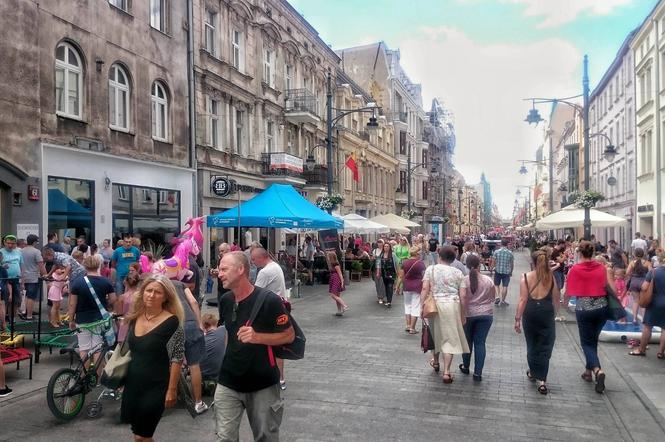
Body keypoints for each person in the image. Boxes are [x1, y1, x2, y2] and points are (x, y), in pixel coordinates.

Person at [214, 251, 295, 441]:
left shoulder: (269, 300)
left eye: (224, 269)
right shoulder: (225, 300)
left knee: (265, 437)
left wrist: (257, 337)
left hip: (263, 384)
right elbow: (229, 333)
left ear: (241, 269)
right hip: (228, 382)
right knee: (224, 438)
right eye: (219, 269)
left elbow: (289, 335)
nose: (219, 273)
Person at [121, 274, 185, 441]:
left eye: (157, 292)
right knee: (137, 435)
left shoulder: (172, 322)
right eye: (148, 290)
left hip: (156, 387)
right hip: (133, 384)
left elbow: (177, 358)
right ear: (142, 293)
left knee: (143, 435)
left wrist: (172, 390)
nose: (151, 295)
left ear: (165, 297)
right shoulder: (135, 317)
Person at [566, 240, 611, 393]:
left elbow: (568, 291)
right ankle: (587, 372)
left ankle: (598, 370)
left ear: (580, 253)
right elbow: (607, 286)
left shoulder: (576, 269)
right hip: (601, 308)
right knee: (592, 341)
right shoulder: (602, 268)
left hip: (584, 309)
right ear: (592, 253)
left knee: (586, 343)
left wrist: (564, 305)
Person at [514, 250, 560, 394]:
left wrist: (517, 319)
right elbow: (556, 299)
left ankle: (534, 372)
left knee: (532, 344)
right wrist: (555, 314)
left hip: (531, 313)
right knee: (545, 345)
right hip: (546, 313)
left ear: (532, 263)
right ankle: (542, 380)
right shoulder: (550, 278)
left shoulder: (525, 278)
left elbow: (523, 300)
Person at [422, 246, 468, 384]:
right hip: (452, 305)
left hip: (434, 305)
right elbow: (464, 295)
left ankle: (436, 362)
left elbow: (425, 288)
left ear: (439, 256)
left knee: (435, 334)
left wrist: (421, 305)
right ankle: (447, 372)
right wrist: (463, 313)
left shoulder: (431, 269)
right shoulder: (459, 273)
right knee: (449, 338)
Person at [251, 246, 289, 390]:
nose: (253, 262)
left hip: (268, 313)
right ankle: (280, 377)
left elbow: (254, 294)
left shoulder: (265, 272)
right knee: (277, 345)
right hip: (280, 310)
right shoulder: (275, 266)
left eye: (254, 259)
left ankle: (274, 377)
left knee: (266, 344)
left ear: (262, 257)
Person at [67, 255, 116, 362]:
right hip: (99, 320)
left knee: (84, 349)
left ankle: (85, 375)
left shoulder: (77, 283)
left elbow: (72, 304)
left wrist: (71, 320)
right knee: (97, 349)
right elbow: (113, 300)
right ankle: (96, 376)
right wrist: (106, 304)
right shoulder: (106, 281)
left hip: (82, 319)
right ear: (99, 265)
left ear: (85, 266)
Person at [172, 276, 208, 414]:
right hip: (190, 322)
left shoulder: (157, 285)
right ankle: (198, 402)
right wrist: (199, 323)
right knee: (194, 364)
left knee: (173, 361)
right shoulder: (179, 284)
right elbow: (193, 301)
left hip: (172, 325)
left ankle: (172, 395)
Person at [459, 254, 495, 381]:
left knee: (467, 342)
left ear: (467, 266)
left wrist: (463, 313)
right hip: (486, 314)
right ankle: (478, 373)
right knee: (480, 343)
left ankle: (466, 366)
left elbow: (462, 298)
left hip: (468, 314)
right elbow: (492, 297)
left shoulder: (463, 280)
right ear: (479, 265)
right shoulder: (488, 280)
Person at [630, 251, 665, 358]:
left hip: (654, 302)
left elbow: (644, 287)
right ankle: (661, 352)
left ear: (659, 260)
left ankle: (642, 349)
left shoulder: (654, 272)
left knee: (648, 326)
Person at [396, 246, 426, 334]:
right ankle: (412, 328)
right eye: (419, 253)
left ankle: (408, 325)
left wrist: (397, 286)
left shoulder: (404, 262)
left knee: (407, 305)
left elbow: (401, 276)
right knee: (415, 306)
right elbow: (424, 276)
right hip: (417, 287)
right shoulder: (420, 264)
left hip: (406, 286)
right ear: (417, 254)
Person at [18, 235, 47, 321]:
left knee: (26, 296)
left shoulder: (20, 251)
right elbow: (41, 265)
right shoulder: (36, 251)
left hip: (22, 277)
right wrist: (45, 275)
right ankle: (29, 316)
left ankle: (25, 313)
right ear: (34, 242)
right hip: (33, 277)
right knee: (31, 297)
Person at [116, 263, 141, 344]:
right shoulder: (141, 296)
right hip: (138, 325)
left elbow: (119, 315)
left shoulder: (122, 297)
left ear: (126, 282)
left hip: (125, 324)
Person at [626, 248, 651, 324]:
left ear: (634, 254)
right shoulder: (647, 263)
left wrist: (633, 275)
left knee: (635, 301)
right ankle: (643, 319)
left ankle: (634, 319)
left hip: (634, 282)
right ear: (643, 254)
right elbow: (651, 273)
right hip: (644, 282)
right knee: (643, 302)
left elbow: (627, 272)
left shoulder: (632, 263)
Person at [0, 235, 23, 317]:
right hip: (4, 280)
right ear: (4, 243)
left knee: (16, 300)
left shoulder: (19, 252)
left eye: (12, 243)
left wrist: (22, 282)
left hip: (16, 280)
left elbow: (22, 266)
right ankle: (3, 321)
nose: (10, 245)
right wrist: (2, 266)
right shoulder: (1, 252)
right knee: (4, 301)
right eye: (8, 243)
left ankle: (12, 319)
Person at [200, 313, 226, 381]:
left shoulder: (202, 341)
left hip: (203, 376)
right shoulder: (223, 330)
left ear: (203, 326)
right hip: (219, 374)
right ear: (216, 322)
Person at [491, 239, 514, 307]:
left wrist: (492, 268)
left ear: (501, 244)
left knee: (496, 285)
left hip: (498, 270)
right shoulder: (510, 253)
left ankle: (497, 296)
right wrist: (511, 271)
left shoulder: (496, 252)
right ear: (507, 244)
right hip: (506, 272)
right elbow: (512, 264)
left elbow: (494, 261)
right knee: (505, 286)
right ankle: (503, 301)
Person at [376, 242, 399, 308]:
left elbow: (396, 263)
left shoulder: (393, 255)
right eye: (385, 246)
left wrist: (398, 272)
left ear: (389, 247)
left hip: (391, 273)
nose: (386, 248)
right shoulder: (381, 255)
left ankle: (389, 301)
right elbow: (378, 264)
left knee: (390, 286)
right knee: (386, 286)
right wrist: (378, 272)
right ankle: (388, 299)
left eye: (387, 246)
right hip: (384, 273)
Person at [326, 251, 348, 317]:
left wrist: (342, 281)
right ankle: (339, 310)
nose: (327, 258)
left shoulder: (336, 265)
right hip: (333, 279)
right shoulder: (332, 264)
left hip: (336, 279)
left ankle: (344, 305)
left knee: (333, 295)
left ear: (331, 257)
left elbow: (340, 274)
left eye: (328, 256)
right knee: (337, 295)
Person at [372, 240, 386, 304]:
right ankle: (379, 296)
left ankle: (381, 297)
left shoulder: (385, 250)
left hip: (382, 269)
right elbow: (372, 259)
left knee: (382, 283)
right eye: (378, 243)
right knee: (377, 283)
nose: (379, 244)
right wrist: (373, 258)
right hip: (376, 268)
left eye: (381, 243)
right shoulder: (375, 250)